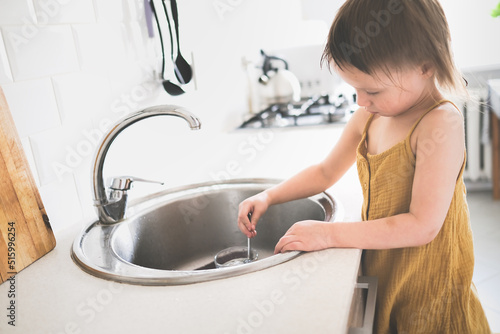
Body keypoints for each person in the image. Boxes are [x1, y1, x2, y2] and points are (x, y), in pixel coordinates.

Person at [237, 0, 492, 332]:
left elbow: (422, 226)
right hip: (389, 277)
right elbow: (325, 172)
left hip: (433, 295)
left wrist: (327, 235)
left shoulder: (439, 123)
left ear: (425, 67)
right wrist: (270, 196)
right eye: (354, 89)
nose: (360, 100)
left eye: (371, 90)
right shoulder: (370, 115)